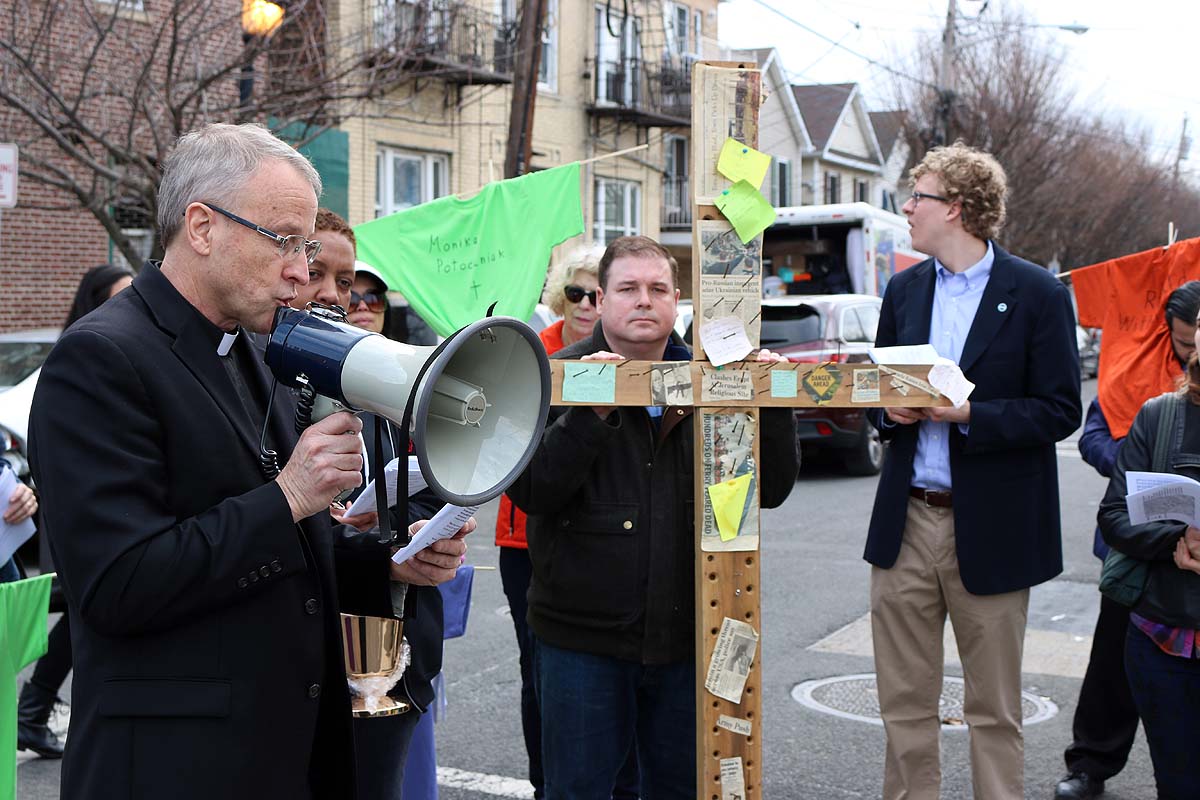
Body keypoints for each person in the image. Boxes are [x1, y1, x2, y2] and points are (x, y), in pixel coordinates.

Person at [27, 122, 470, 800]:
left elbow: (288, 552)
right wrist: (291, 494)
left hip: (273, 757)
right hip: (171, 767)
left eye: (307, 246)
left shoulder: (248, 348)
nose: (300, 270)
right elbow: (118, 586)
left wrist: (385, 563)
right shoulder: (102, 358)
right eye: (282, 241)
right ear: (201, 227)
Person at [508, 235, 799, 800]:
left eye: (658, 289)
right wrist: (592, 411)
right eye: (628, 288)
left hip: (691, 639)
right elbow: (533, 491)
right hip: (581, 643)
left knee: (681, 787)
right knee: (577, 790)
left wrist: (773, 407)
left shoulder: (718, 380)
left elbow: (771, 493)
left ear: (679, 299)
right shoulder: (554, 374)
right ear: (599, 297)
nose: (644, 300)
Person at [865, 142, 1081, 800]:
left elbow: (1059, 410)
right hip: (906, 523)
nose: (906, 207)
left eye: (918, 196)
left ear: (955, 209)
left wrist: (969, 413)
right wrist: (889, 414)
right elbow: (877, 394)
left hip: (992, 527)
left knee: (994, 711)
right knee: (903, 705)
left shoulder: (1038, 294)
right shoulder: (903, 289)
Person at [495, 244, 644, 800]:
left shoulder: (636, 355)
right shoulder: (539, 352)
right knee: (540, 672)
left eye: (596, 293)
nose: (586, 303)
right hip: (522, 539)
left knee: (604, 681)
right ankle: (546, 780)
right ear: (566, 297)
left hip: (595, 541)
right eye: (577, 293)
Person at [1054, 280, 1200, 800]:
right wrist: (1141, 471)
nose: (1189, 352)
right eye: (1186, 342)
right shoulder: (1136, 368)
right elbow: (1094, 434)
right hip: (1138, 560)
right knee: (1113, 668)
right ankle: (1092, 763)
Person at [16, 263, 135, 759]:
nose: (130, 308)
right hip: (70, 513)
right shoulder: (83, 358)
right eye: (118, 298)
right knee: (81, 607)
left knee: (77, 613)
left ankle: (34, 708)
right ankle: (33, 708)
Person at [1097, 325, 1200, 799]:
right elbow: (1115, 515)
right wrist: (1176, 542)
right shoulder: (1158, 417)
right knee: (1178, 784)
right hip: (1164, 640)